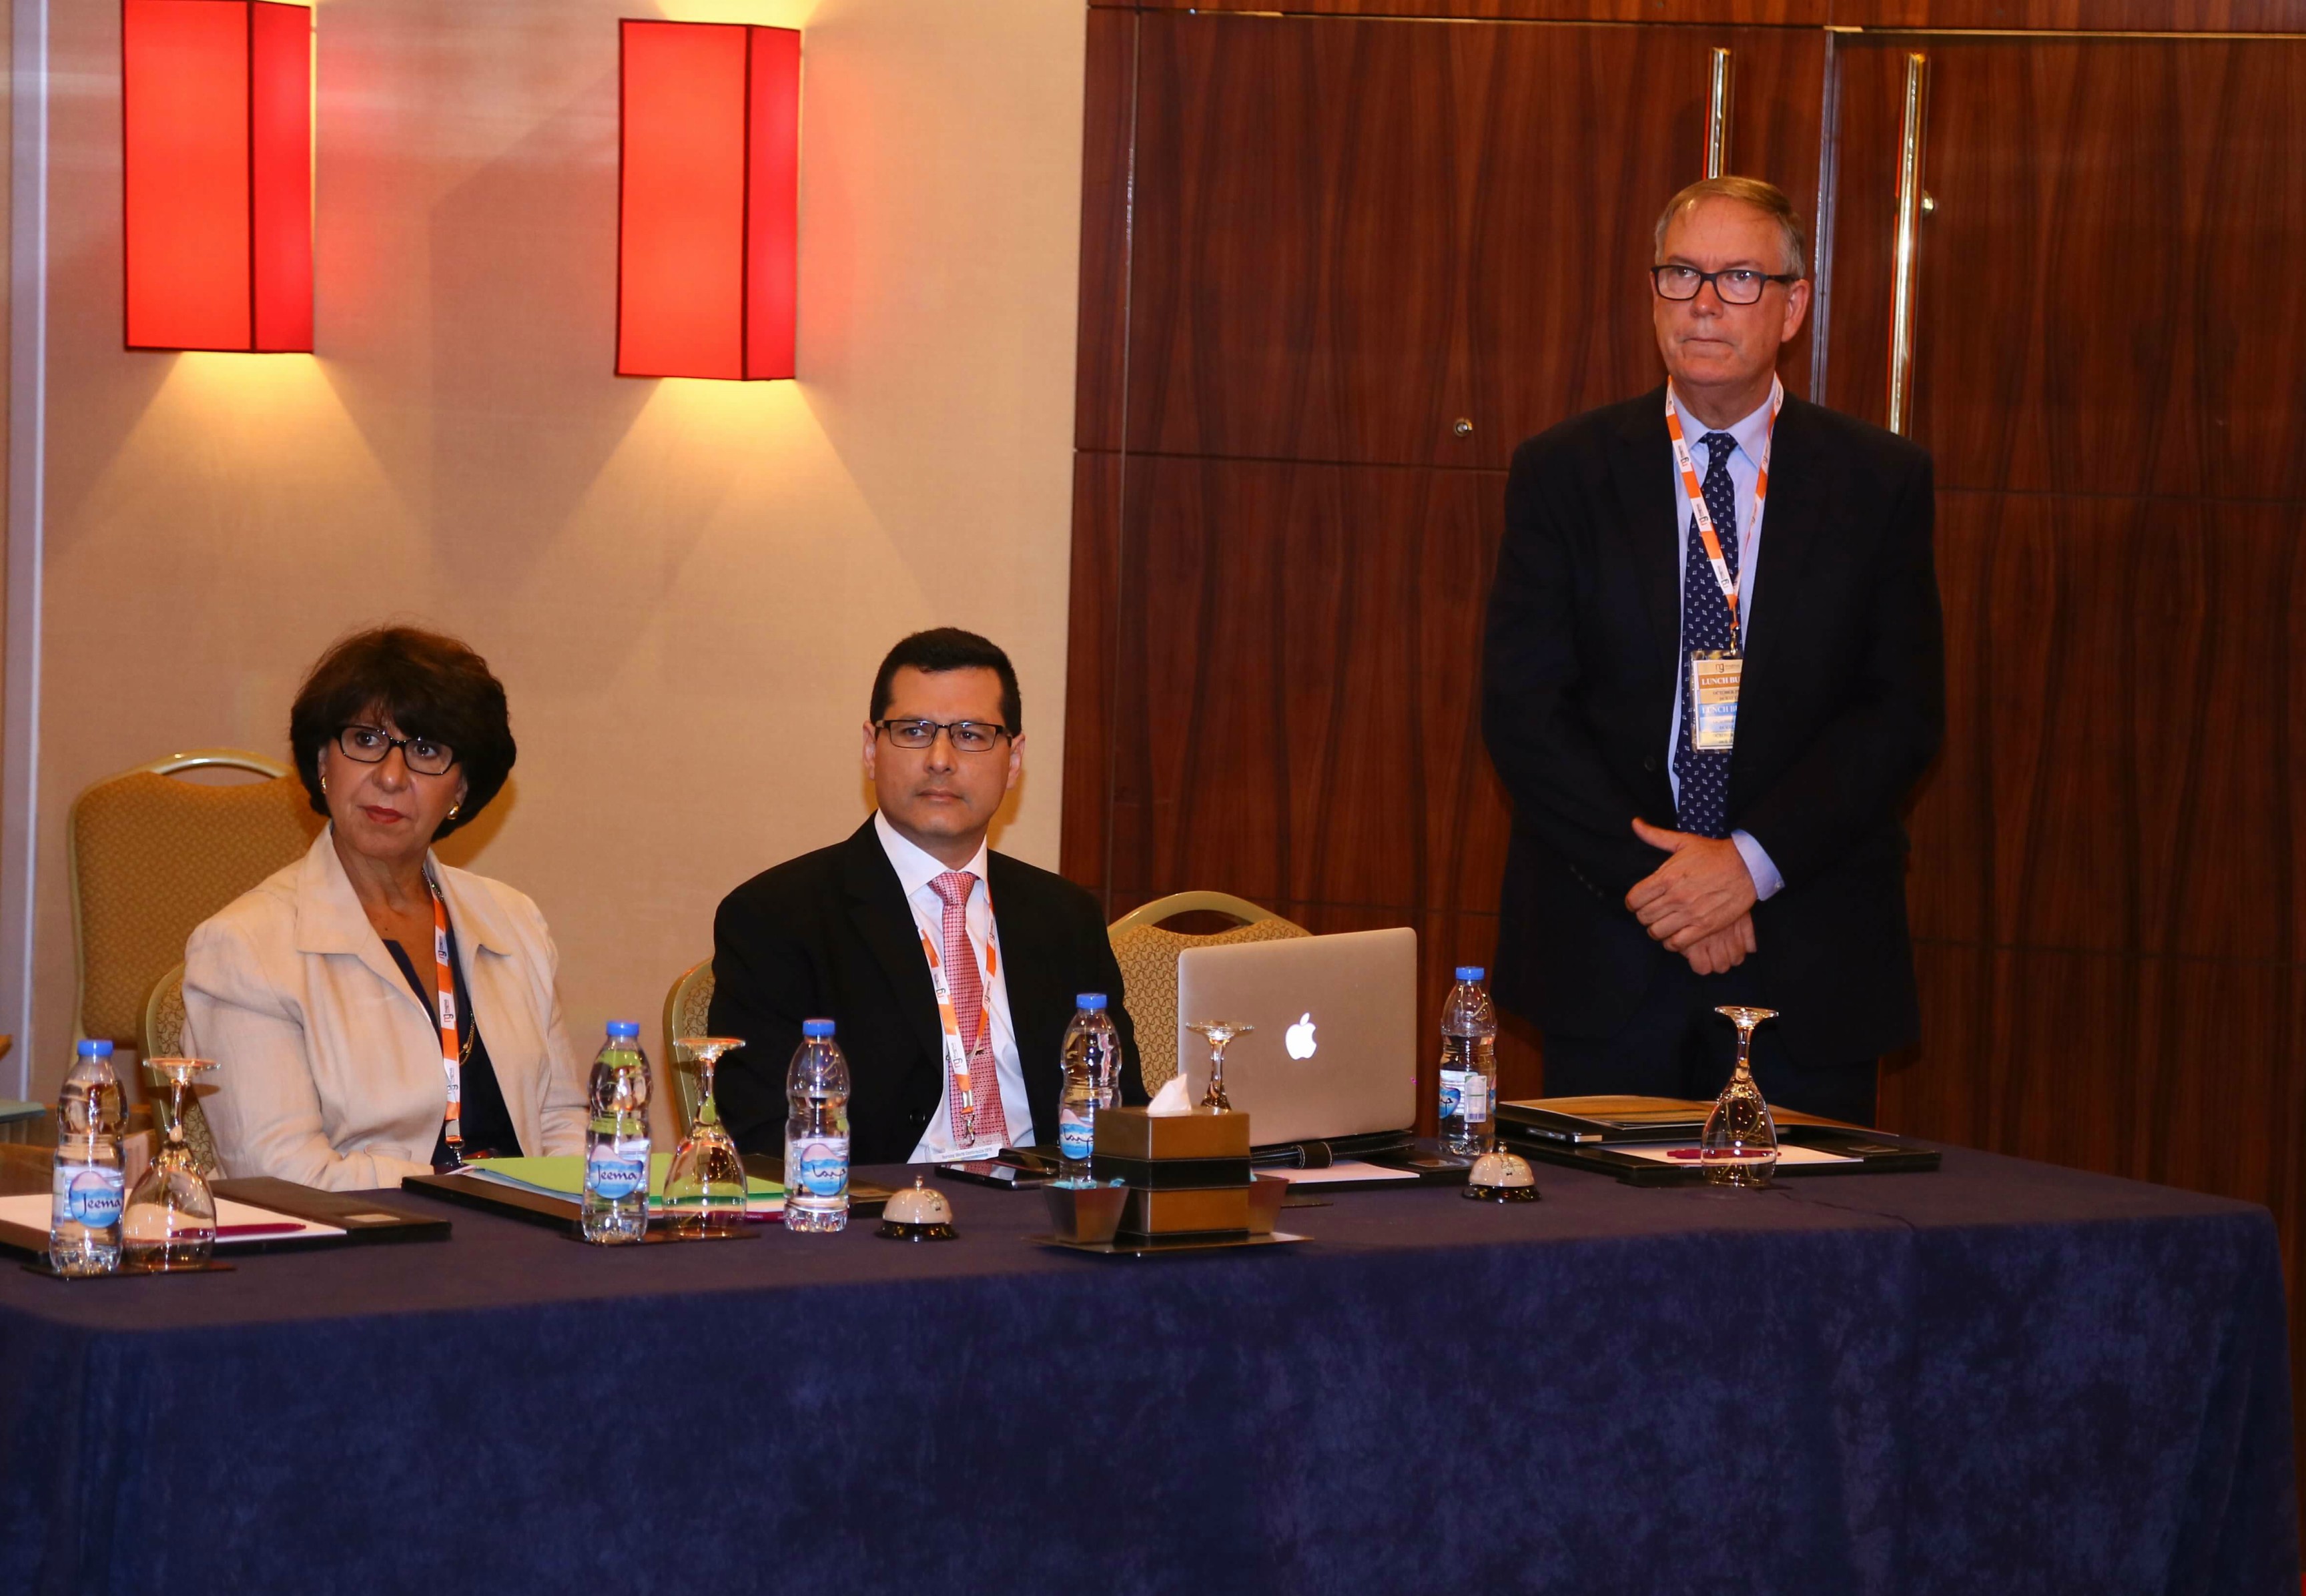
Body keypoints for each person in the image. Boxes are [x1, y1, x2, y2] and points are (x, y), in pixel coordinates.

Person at [1481, 176, 1944, 1125]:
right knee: (1601, 1220)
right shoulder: (1563, 471)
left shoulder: (1878, 482)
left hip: (1804, 952)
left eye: (1738, 278)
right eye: (1681, 274)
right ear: (1653, 293)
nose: (1703, 302)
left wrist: (1747, 866)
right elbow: (1525, 712)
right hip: (1609, 944)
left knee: (1808, 1221)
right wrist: (1666, 889)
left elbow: (1899, 715)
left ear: (1792, 306)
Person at [709, 628, 1144, 1164]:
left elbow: (1124, 1112)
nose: (940, 759)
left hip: (1049, 1202)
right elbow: (763, 1140)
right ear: (871, 750)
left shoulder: (1065, 917)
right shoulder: (776, 918)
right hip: (877, 1207)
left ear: (1013, 760)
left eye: (971, 734)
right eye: (914, 731)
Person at [184, 626, 586, 1189]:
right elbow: (283, 1175)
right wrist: (476, 1193)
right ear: (322, 761)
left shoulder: (514, 921)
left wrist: (567, 1202)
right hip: (370, 1235)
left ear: (461, 789)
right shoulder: (246, 947)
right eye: (367, 740)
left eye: (426, 750)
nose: (391, 777)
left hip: (529, 1229)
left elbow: (561, 1119)